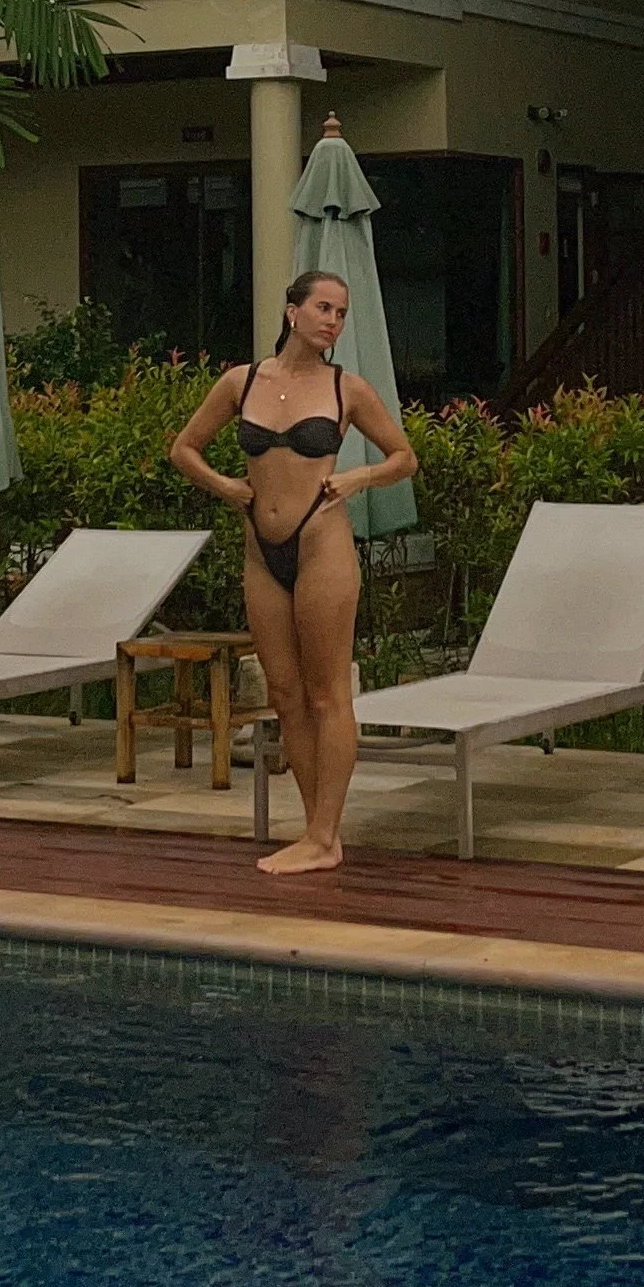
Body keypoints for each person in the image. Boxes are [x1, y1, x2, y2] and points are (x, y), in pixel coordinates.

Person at [170, 268, 418, 876]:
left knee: (328, 694)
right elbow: (183, 448)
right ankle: (317, 834)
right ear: (292, 313)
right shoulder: (242, 381)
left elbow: (404, 457)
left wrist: (357, 478)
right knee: (283, 694)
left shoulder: (346, 389)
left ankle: (325, 834)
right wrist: (226, 486)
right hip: (261, 545)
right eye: (324, 308)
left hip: (321, 542)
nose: (333, 321)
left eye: (340, 312)